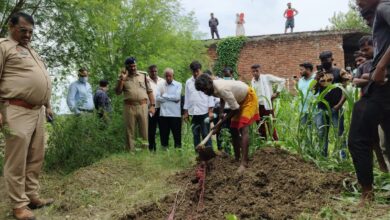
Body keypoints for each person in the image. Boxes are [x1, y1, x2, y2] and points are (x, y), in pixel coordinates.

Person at [0, 12, 54, 220]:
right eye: (23, 30)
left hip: (37, 111)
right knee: (17, 159)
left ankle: (32, 196)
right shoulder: (3, 47)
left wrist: (48, 105)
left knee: (35, 156)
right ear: (10, 26)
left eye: (31, 32)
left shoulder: (31, 51)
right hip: (15, 109)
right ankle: (18, 205)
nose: (28, 35)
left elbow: (41, 80)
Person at [349, 0, 390, 205]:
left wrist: (381, 66)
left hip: (382, 88)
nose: (358, 2)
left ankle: (367, 193)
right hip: (381, 87)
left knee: (357, 138)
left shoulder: (384, 7)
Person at [195, 74, 260, 173]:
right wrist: (221, 112)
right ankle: (237, 158)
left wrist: (219, 125)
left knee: (243, 127)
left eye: (205, 89)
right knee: (233, 128)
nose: (205, 92)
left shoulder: (221, 88)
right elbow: (222, 97)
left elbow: (235, 108)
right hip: (239, 101)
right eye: (202, 91)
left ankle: (244, 162)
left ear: (209, 83)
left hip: (249, 98)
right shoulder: (212, 89)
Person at [352, 35, 388, 173]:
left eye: (367, 49)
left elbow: (383, 77)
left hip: (382, 103)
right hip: (369, 105)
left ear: (375, 45)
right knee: (373, 139)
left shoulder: (380, 61)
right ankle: (383, 168)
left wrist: (367, 77)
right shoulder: (363, 66)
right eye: (362, 50)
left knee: (384, 139)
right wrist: (372, 77)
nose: (364, 53)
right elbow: (355, 82)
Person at [115, 57, 156, 150]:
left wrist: (152, 106)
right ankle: (130, 152)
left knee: (144, 130)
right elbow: (117, 92)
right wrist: (122, 80)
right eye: (130, 66)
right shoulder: (122, 77)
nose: (133, 68)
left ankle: (144, 152)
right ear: (126, 67)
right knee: (129, 130)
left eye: (134, 66)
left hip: (143, 106)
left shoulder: (143, 75)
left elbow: (149, 91)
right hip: (129, 107)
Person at [314, 51, 347, 158]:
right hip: (321, 109)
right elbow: (313, 91)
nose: (324, 62)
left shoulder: (340, 72)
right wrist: (316, 79)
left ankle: (343, 158)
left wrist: (339, 105)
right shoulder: (319, 75)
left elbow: (346, 90)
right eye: (322, 60)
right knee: (322, 134)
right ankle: (323, 157)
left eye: (327, 59)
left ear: (332, 59)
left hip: (335, 108)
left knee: (339, 134)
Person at [183, 61, 215, 151]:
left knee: (205, 134)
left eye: (197, 71)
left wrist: (210, 111)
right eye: (194, 71)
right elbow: (187, 97)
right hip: (193, 112)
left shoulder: (206, 80)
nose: (196, 73)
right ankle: (198, 155)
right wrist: (186, 112)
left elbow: (211, 96)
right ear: (191, 71)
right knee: (195, 134)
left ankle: (210, 154)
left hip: (204, 112)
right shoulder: (188, 82)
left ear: (200, 70)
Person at [251, 64, 285, 141]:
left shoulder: (267, 77)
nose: (255, 73)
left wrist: (277, 92)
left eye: (257, 71)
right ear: (251, 72)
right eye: (253, 71)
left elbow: (282, 80)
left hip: (267, 105)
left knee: (271, 124)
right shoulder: (252, 81)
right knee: (260, 125)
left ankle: (275, 142)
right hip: (257, 106)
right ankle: (264, 143)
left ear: (260, 70)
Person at [156, 68, 182, 149]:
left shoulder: (178, 84)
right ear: (164, 76)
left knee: (177, 135)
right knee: (164, 135)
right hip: (163, 114)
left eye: (170, 76)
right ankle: (164, 152)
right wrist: (172, 98)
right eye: (166, 76)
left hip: (175, 114)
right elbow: (157, 98)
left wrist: (164, 95)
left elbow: (177, 98)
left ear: (173, 76)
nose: (168, 78)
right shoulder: (160, 84)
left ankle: (178, 152)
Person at [215, 68, 235, 152]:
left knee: (233, 130)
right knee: (224, 130)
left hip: (233, 110)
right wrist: (221, 112)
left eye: (227, 75)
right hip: (224, 110)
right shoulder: (222, 84)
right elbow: (221, 99)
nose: (226, 77)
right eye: (224, 75)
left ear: (232, 74)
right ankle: (227, 151)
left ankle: (235, 150)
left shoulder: (235, 84)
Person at [147, 65, 165, 151]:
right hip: (151, 108)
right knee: (151, 130)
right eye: (152, 71)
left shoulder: (162, 81)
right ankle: (152, 148)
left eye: (155, 71)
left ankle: (164, 147)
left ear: (157, 71)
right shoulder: (146, 80)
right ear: (149, 72)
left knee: (163, 129)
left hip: (162, 109)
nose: (154, 73)